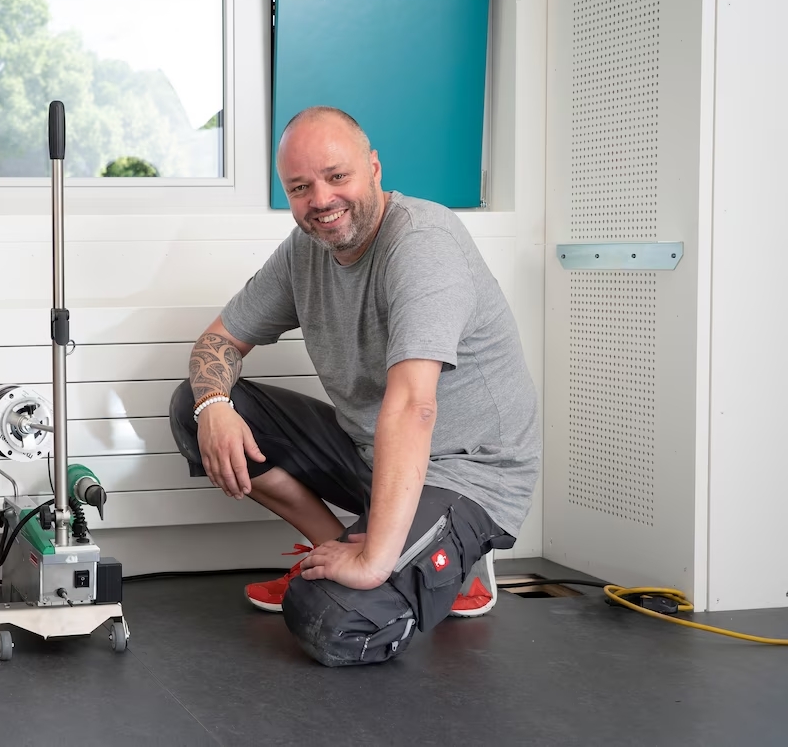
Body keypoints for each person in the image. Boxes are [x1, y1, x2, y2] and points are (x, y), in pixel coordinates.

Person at [168, 106, 540, 666]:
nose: (320, 200)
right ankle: (336, 549)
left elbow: (414, 406)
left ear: (373, 169)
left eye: (336, 177)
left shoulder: (423, 243)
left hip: (467, 472)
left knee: (333, 621)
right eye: (300, 186)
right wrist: (214, 405)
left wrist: (373, 567)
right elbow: (216, 344)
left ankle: (432, 564)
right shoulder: (304, 253)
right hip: (373, 454)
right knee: (196, 407)